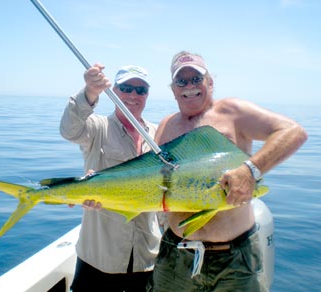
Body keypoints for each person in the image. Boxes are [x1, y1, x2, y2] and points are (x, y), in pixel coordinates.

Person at [148, 51, 308, 292]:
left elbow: (293, 132)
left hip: (234, 260)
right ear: (173, 89)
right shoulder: (166, 125)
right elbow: (156, 181)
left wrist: (249, 170)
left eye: (196, 79)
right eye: (182, 81)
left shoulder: (232, 111)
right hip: (176, 255)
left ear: (210, 82)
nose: (189, 86)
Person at [60, 64, 162, 292]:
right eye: (126, 88)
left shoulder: (157, 136)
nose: (133, 95)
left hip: (146, 259)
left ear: (147, 95)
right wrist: (90, 91)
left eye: (141, 90)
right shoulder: (98, 127)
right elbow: (69, 130)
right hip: (99, 258)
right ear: (114, 91)